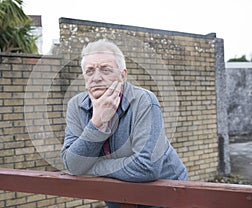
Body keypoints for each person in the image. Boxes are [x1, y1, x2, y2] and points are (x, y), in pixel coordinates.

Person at [61, 39, 188, 208]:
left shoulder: (144, 101)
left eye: (105, 70)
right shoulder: (76, 106)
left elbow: (147, 167)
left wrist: (92, 167)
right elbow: (72, 164)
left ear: (123, 75)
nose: (96, 78)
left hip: (165, 194)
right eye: (89, 71)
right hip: (117, 196)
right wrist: (97, 122)